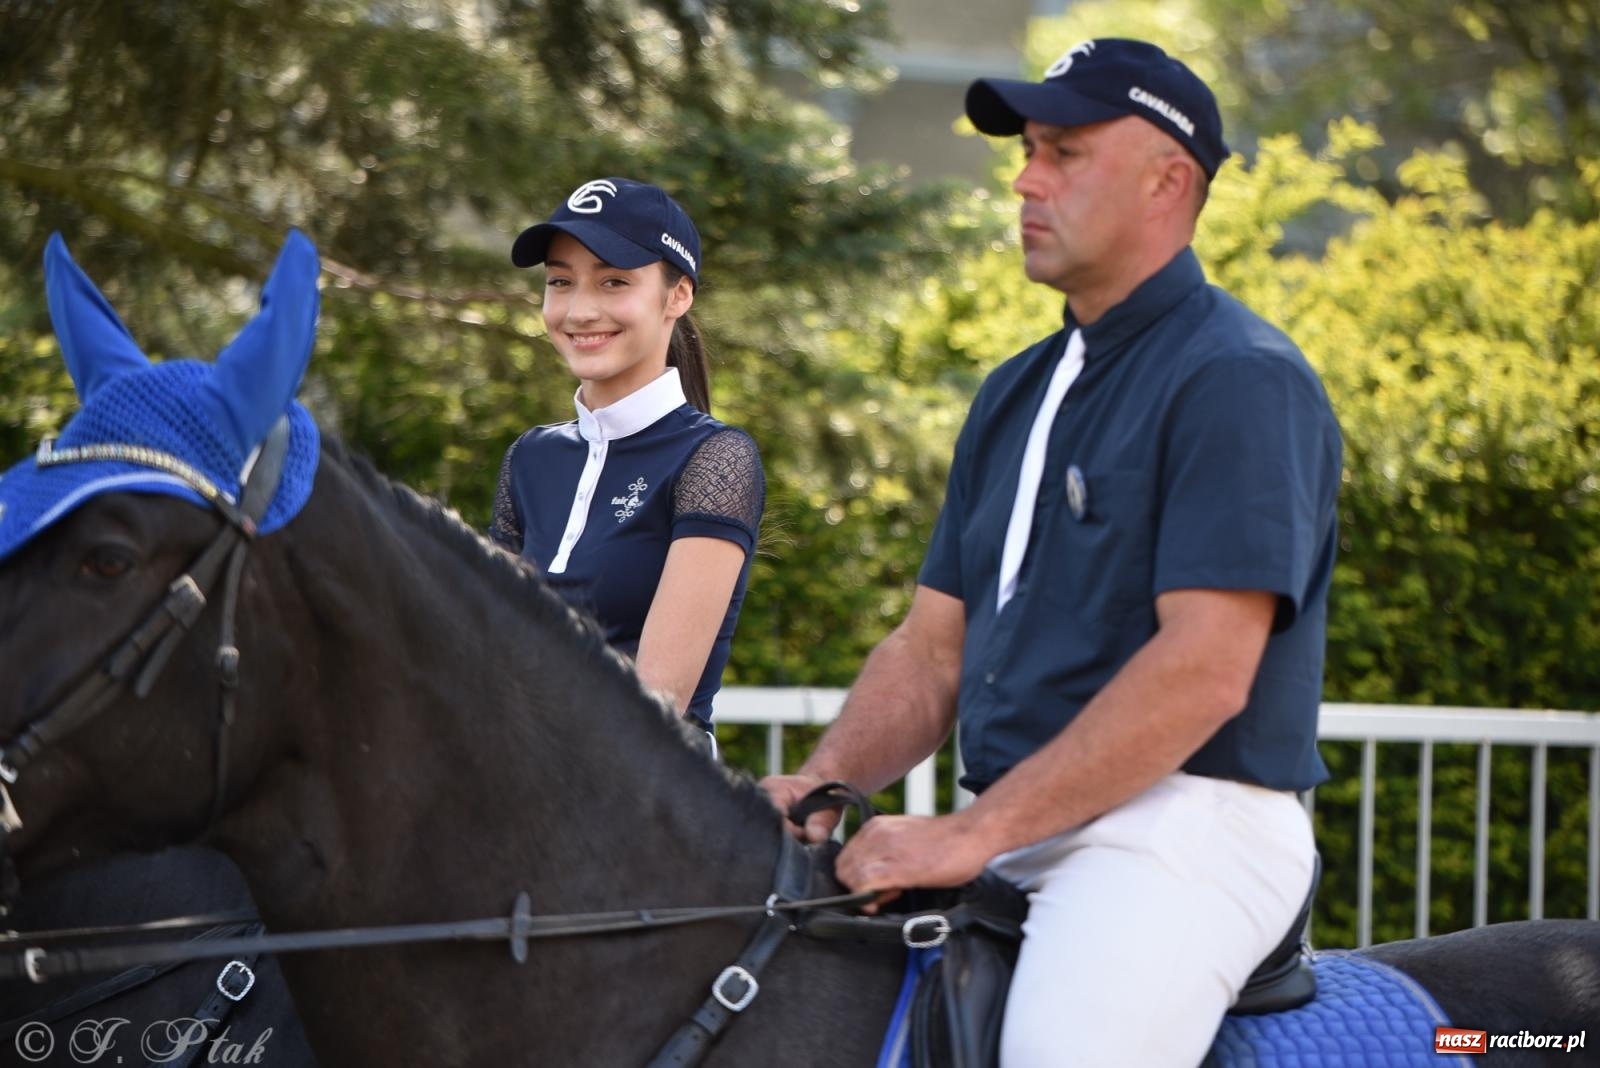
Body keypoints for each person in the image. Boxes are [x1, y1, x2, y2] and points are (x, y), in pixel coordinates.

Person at [761, 39, 1342, 1067]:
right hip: (1022, 821)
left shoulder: (1242, 377)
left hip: (1183, 828)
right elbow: (933, 649)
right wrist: (823, 785)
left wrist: (966, 835)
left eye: (1063, 152)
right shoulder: (1013, 391)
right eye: (1026, 151)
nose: (1025, 180)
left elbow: (1203, 672)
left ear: (1169, 181)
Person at [490, 177, 764, 749]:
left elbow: (654, 707)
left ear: (677, 296)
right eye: (560, 282)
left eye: (614, 282)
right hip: (515, 798)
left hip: (650, 814)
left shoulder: (715, 458)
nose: (579, 310)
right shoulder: (530, 458)